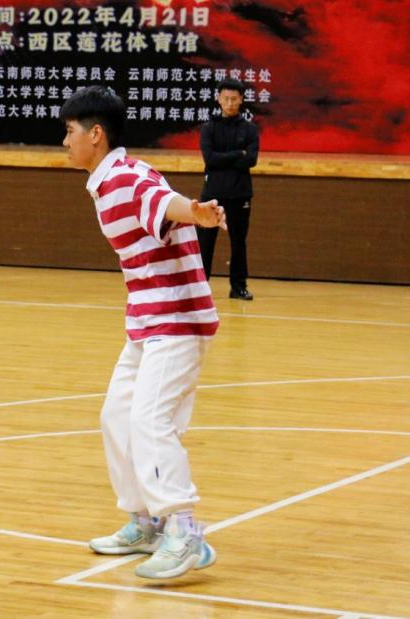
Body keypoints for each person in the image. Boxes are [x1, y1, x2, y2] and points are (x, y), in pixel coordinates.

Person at [61, 86, 224, 579]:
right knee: (116, 416)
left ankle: (185, 531)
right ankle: (146, 522)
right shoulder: (105, 183)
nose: (65, 142)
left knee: (151, 421)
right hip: (147, 322)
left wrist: (194, 212)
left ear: (95, 134)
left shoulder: (128, 177)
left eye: (69, 132)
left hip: (178, 321)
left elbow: (162, 200)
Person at [197, 77, 260, 300]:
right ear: (218, 99)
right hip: (212, 195)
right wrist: (237, 154)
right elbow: (210, 159)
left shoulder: (250, 129)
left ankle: (238, 287)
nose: (230, 103)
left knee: (238, 242)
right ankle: (200, 287)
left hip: (240, 193)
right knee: (205, 242)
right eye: (226, 98)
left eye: (234, 99)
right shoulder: (209, 128)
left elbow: (251, 160)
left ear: (241, 99)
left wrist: (227, 157)